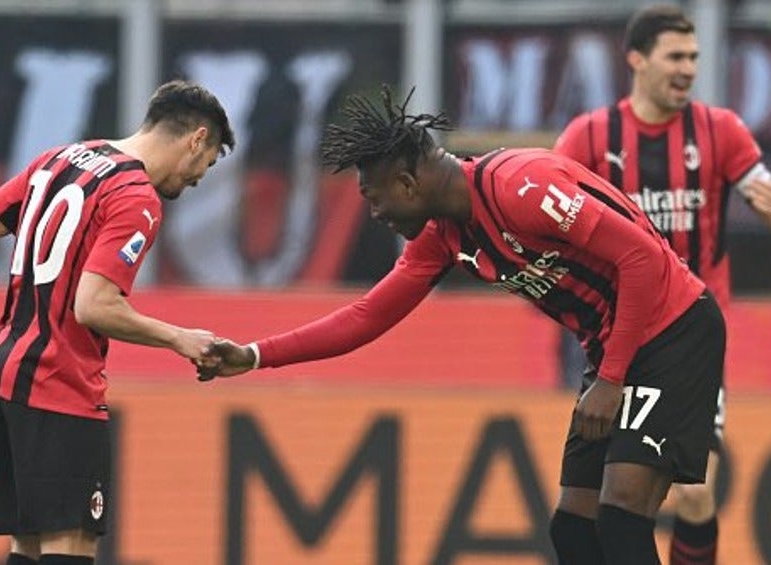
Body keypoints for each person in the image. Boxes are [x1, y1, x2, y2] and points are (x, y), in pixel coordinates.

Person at [197, 86, 725, 564]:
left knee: (623, 518)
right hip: (617, 347)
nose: (375, 212)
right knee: (573, 530)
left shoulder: (521, 187)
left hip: (672, 329)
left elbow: (641, 259)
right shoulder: (445, 236)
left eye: (374, 197)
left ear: (407, 182)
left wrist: (610, 380)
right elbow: (366, 316)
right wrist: (255, 355)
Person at [553, 6, 771, 563]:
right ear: (637, 59)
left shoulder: (719, 131)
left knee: (694, 494)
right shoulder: (591, 136)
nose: (688, 69)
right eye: (676, 56)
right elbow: (548, 217)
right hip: (616, 339)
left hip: (693, 337)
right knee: (598, 503)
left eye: (694, 57)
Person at [0, 79, 234, 565]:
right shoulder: (135, 196)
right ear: (197, 138)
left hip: (0, 376)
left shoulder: (60, 159)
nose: (194, 183)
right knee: (70, 546)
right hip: (58, 382)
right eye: (202, 170)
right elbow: (94, 306)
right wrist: (178, 338)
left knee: (29, 543)